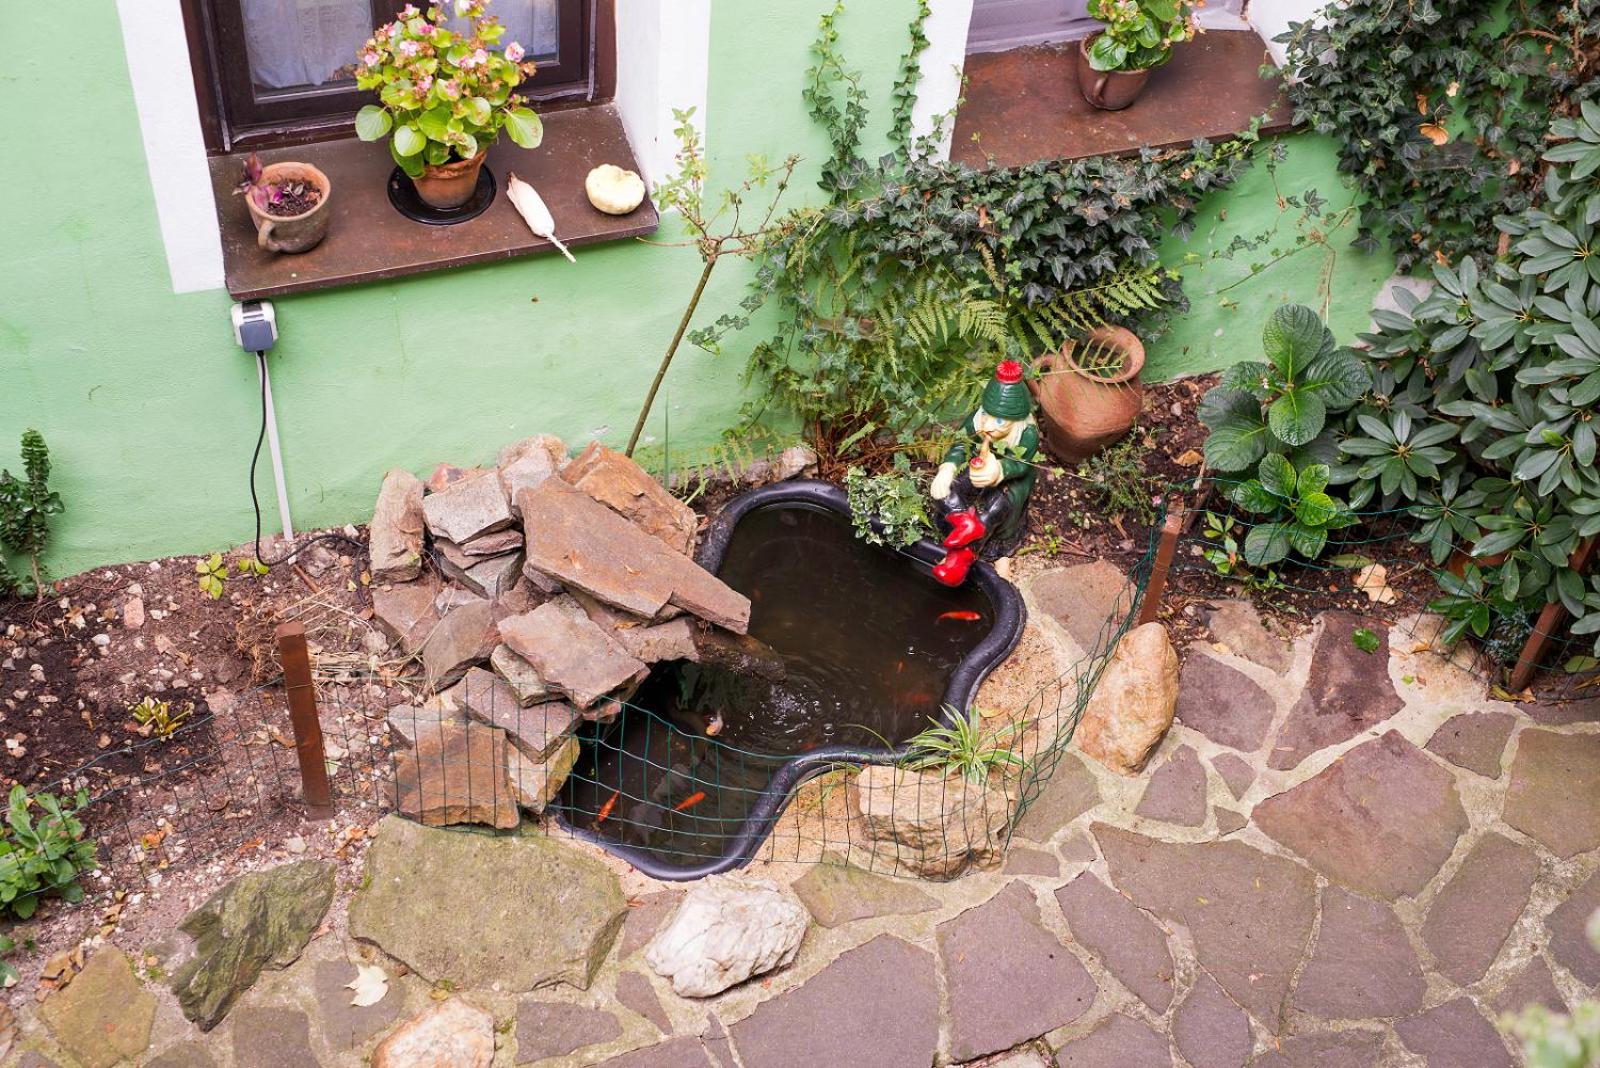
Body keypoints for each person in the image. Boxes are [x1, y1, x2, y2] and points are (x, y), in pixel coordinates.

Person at [928, 359, 1041, 586]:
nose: (988, 426)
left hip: (1013, 482)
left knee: (995, 509)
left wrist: (1000, 470)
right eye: (986, 416)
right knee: (944, 490)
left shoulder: (1026, 433)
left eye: (999, 421)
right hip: (977, 468)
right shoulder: (978, 419)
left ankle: (959, 558)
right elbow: (961, 444)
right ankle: (963, 523)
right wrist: (948, 468)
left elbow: (1022, 464)